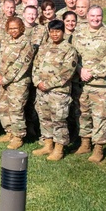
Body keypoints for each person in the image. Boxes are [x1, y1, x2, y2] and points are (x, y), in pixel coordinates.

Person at [73, 6, 106, 163]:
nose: (95, 18)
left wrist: (91, 72)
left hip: (100, 84)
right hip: (81, 82)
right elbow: (72, 55)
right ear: (87, 16)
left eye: (98, 16)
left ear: (102, 16)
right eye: (92, 15)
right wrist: (79, 70)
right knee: (82, 113)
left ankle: (98, 148)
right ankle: (85, 143)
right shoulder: (78, 33)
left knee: (100, 116)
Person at [31, 19, 80, 161]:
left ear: (63, 32)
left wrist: (48, 84)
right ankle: (48, 145)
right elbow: (35, 65)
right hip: (41, 91)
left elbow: (67, 72)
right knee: (44, 118)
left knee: (59, 120)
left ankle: (59, 149)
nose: (54, 34)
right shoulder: (44, 47)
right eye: (52, 31)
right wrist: (37, 81)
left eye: (57, 31)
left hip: (58, 92)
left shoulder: (69, 50)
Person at [0, 17, 36, 149]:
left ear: (21, 28)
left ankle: (18, 136)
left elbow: (21, 65)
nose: (13, 31)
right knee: (3, 106)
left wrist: (6, 78)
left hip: (18, 82)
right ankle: (9, 132)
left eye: (16, 28)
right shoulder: (6, 40)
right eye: (11, 28)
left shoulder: (26, 43)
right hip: (3, 80)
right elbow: (1, 60)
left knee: (16, 108)